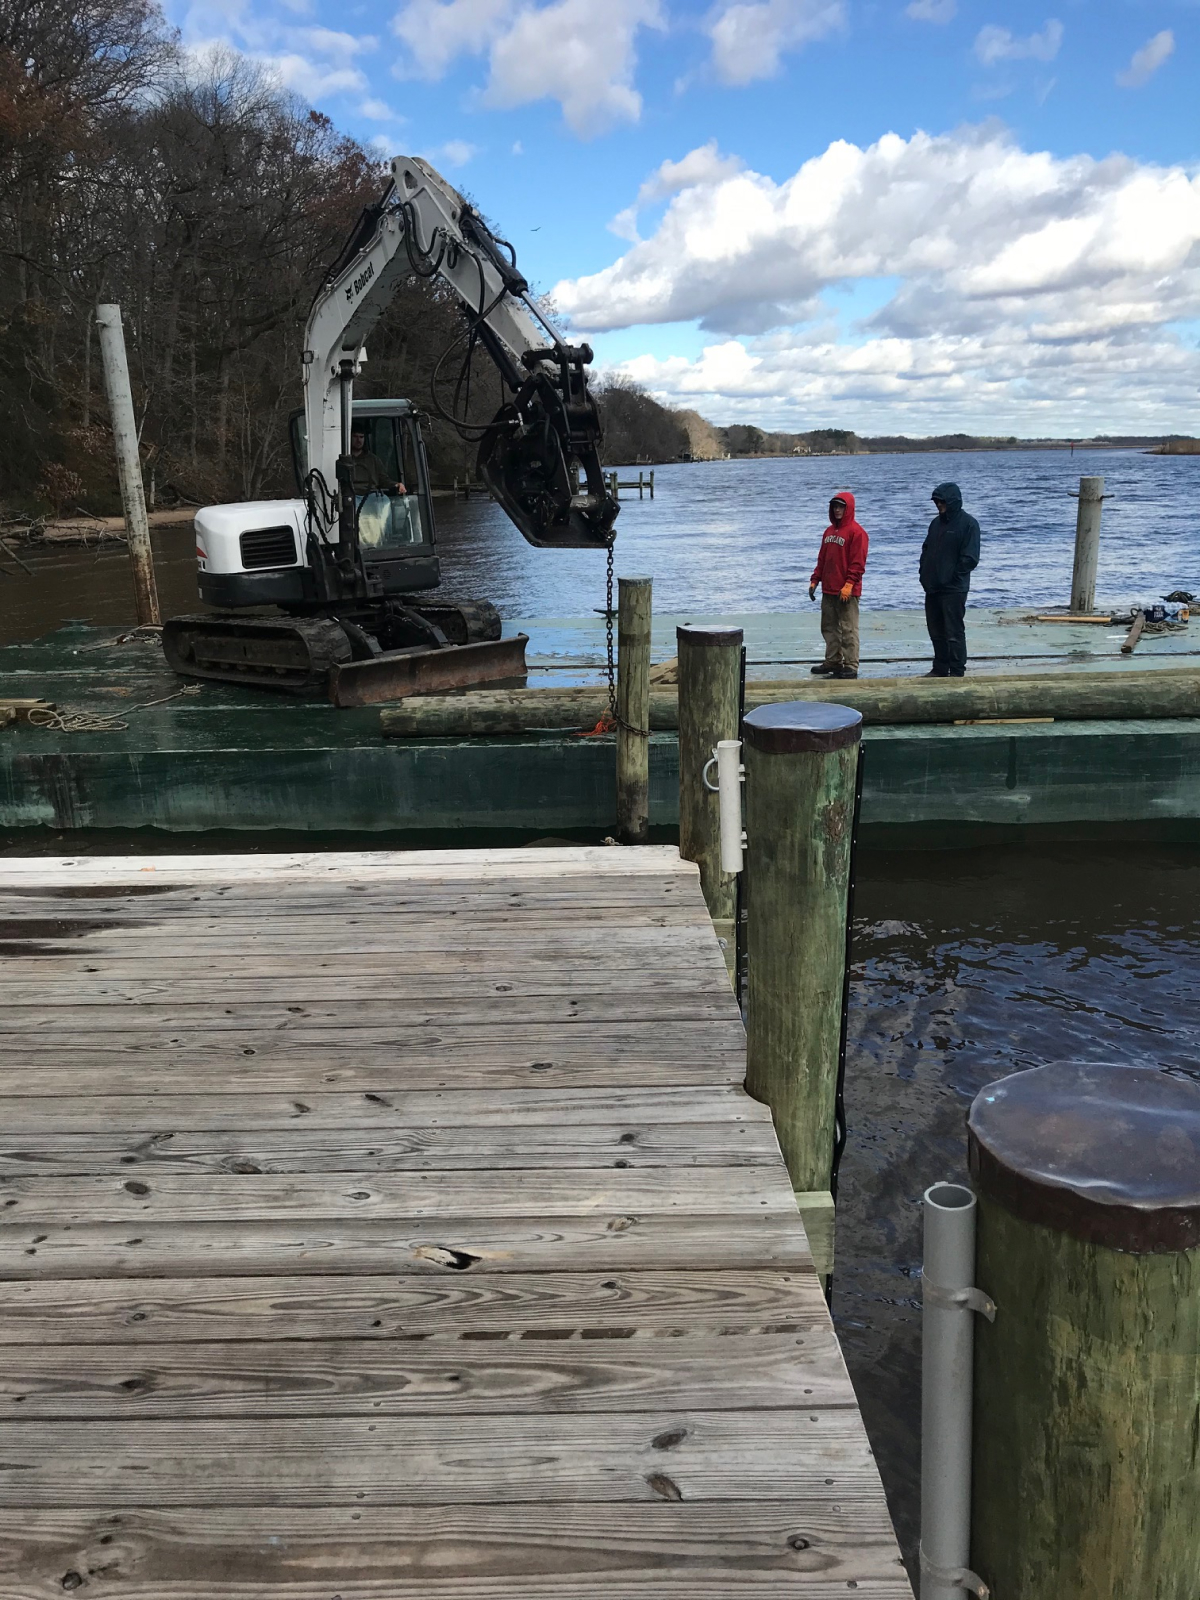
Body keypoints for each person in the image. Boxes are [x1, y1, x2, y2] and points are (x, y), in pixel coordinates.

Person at [919, 482, 980, 678]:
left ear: (952, 501)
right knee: (935, 630)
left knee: (953, 631)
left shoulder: (969, 524)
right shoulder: (935, 523)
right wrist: (923, 574)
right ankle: (940, 667)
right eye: (937, 501)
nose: (938, 505)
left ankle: (956, 670)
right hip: (932, 587)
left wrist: (952, 577)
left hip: (954, 589)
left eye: (942, 501)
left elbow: (970, 558)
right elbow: (926, 549)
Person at [808, 490, 869, 680]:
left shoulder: (857, 533)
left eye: (841, 506)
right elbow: (822, 560)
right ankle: (833, 660)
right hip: (829, 589)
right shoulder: (828, 532)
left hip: (846, 592)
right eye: (834, 506)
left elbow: (858, 563)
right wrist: (814, 580)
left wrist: (850, 584)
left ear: (848, 508)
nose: (837, 510)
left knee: (848, 628)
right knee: (829, 627)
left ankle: (851, 664)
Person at [348, 426, 405, 497]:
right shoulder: (344, 459)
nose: (358, 440)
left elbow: (383, 480)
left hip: (371, 496)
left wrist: (396, 484)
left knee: (384, 501)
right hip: (350, 496)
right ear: (349, 438)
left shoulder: (373, 459)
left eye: (361, 437)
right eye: (355, 437)